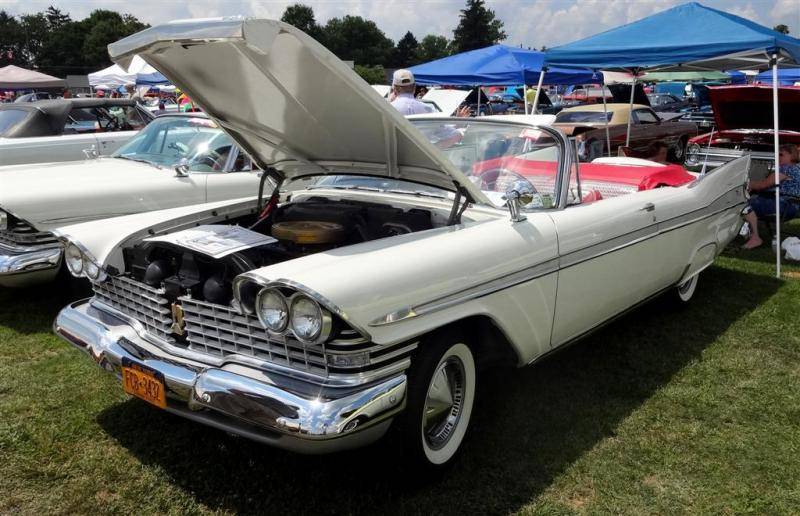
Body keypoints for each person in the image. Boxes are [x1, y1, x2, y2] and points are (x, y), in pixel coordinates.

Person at [742, 143, 800, 249]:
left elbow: (763, 184)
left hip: (782, 205)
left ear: (792, 155)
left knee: (743, 205)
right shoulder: (797, 169)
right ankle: (748, 233)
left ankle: (755, 237)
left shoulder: (785, 169)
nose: (778, 157)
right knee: (754, 200)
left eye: (781, 155)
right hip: (792, 207)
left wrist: (748, 184)